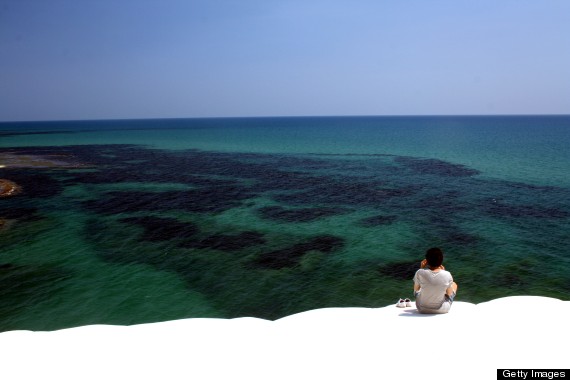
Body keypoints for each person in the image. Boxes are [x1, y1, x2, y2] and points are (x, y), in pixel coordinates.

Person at [413, 247, 458, 314]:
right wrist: (443, 272)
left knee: (418, 291)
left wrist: (421, 268)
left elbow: (416, 289)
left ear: (426, 261)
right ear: (441, 261)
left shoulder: (420, 273)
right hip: (442, 309)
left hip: (421, 308)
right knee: (454, 284)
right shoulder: (447, 274)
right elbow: (449, 294)